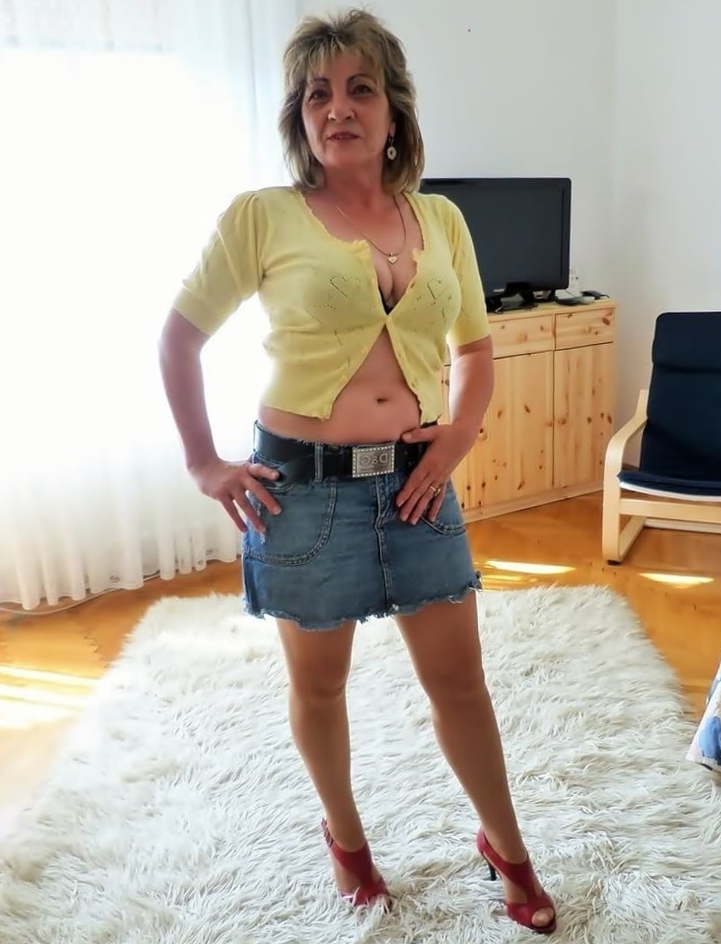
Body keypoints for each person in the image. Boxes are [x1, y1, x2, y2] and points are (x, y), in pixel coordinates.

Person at [158, 9, 556, 934]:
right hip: (300, 492)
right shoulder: (262, 216)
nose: (337, 108)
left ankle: (506, 845)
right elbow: (178, 338)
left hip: (417, 484)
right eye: (317, 94)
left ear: (394, 110)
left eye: (360, 88)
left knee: (462, 683)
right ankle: (346, 840)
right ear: (299, 116)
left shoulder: (442, 219)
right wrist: (204, 463)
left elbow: (475, 348)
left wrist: (457, 439)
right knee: (320, 686)